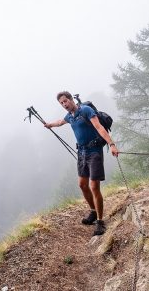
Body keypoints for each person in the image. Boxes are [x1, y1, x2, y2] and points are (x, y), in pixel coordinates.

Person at [44, 91, 119, 236]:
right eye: (62, 103)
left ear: (71, 99)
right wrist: (50, 125)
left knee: (94, 186)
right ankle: (93, 211)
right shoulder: (70, 116)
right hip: (82, 153)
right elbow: (60, 122)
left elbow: (99, 127)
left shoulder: (85, 110)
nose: (65, 104)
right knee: (82, 185)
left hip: (95, 152)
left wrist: (111, 144)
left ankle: (100, 221)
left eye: (66, 101)